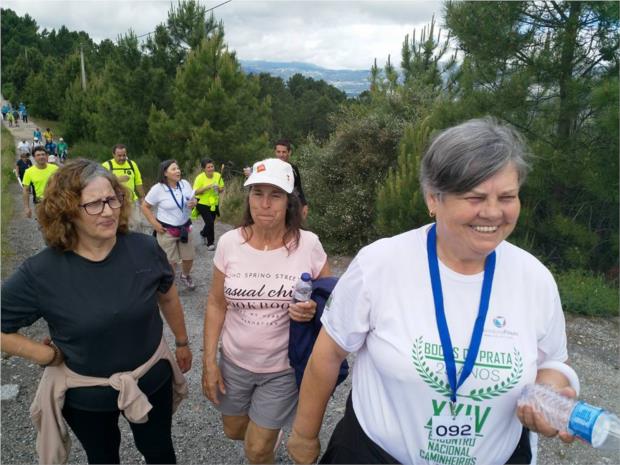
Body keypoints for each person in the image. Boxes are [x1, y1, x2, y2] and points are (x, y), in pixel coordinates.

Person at [287, 118, 578, 465]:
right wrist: (304, 435)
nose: (492, 212)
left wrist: (548, 393)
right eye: (475, 197)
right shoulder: (380, 264)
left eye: (507, 197)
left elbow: (553, 362)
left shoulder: (535, 279)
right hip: (374, 455)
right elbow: (328, 355)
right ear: (433, 198)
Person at [1, 159, 192, 464]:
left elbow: (167, 294)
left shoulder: (144, 248)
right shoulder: (41, 272)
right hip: (85, 393)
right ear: (66, 211)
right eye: (93, 204)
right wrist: (44, 355)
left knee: (159, 452)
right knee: (102, 457)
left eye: (112, 199)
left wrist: (182, 342)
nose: (108, 211)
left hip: (151, 376)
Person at [202, 157, 330, 464]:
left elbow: (332, 300)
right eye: (257, 193)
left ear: (289, 202)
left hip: (283, 367)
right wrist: (208, 362)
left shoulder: (308, 244)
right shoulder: (230, 243)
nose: (265, 204)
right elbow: (216, 303)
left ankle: (266, 436)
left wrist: (313, 308)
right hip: (234, 362)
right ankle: (267, 430)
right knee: (234, 430)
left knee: (257, 450)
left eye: (275, 195)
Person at [142, 159, 197, 291]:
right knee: (170, 262)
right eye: (174, 169)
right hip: (166, 230)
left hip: (185, 227)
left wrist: (194, 202)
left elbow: (192, 199)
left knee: (189, 258)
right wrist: (155, 224)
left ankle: (185, 276)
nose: (178, 171)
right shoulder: (158, 189)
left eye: (178, 168)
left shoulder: (185, 184)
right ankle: (170, 283)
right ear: (165, 173)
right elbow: (145, 206)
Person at [103, 144, 146, 231]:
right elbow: (101, 183)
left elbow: (138, 181)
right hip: (115, 202)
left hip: (132, 201)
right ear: (113, 154)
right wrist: (117, 180)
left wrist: (142, 197)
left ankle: (135, 239)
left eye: (124, 155)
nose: (122, 158)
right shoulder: (106, 166)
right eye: (119, 156)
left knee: (137, 223)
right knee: (118, 225)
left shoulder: (132, 164)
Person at [193, 158, 225, 250]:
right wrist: (207, 187)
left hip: (213, 203)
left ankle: (203, 233)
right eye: (208, 167)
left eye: (212, 166)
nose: (211, 168)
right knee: (210, 222)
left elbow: (222, 189)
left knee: (210, 223)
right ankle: (210, 243)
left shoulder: (218, 175)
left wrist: (218, 188)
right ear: (204, 169)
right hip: (202, 203)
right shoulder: (200, 178)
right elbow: (195, 192)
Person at [274, 139, 308, 218]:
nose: (281, 155)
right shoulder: (269, 168)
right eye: (278, 152)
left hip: (291, 208)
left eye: (284, 152)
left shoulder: (293, 169)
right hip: (275, 208)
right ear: (275, 152)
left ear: (289, 152)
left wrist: (304, 204)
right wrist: (250, 173)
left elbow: (298, 188)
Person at [22, 146, 59, 218]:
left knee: (56, 223)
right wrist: (27, 207)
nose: (41, 157)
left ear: (47, 156)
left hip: (55, 201)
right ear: (34, 157)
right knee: (43, 223)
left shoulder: (55, 168)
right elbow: (26, 190)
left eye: (43, 154)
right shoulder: (28, 172)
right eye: (38, 155)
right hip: (40, 203)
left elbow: (63, 185)